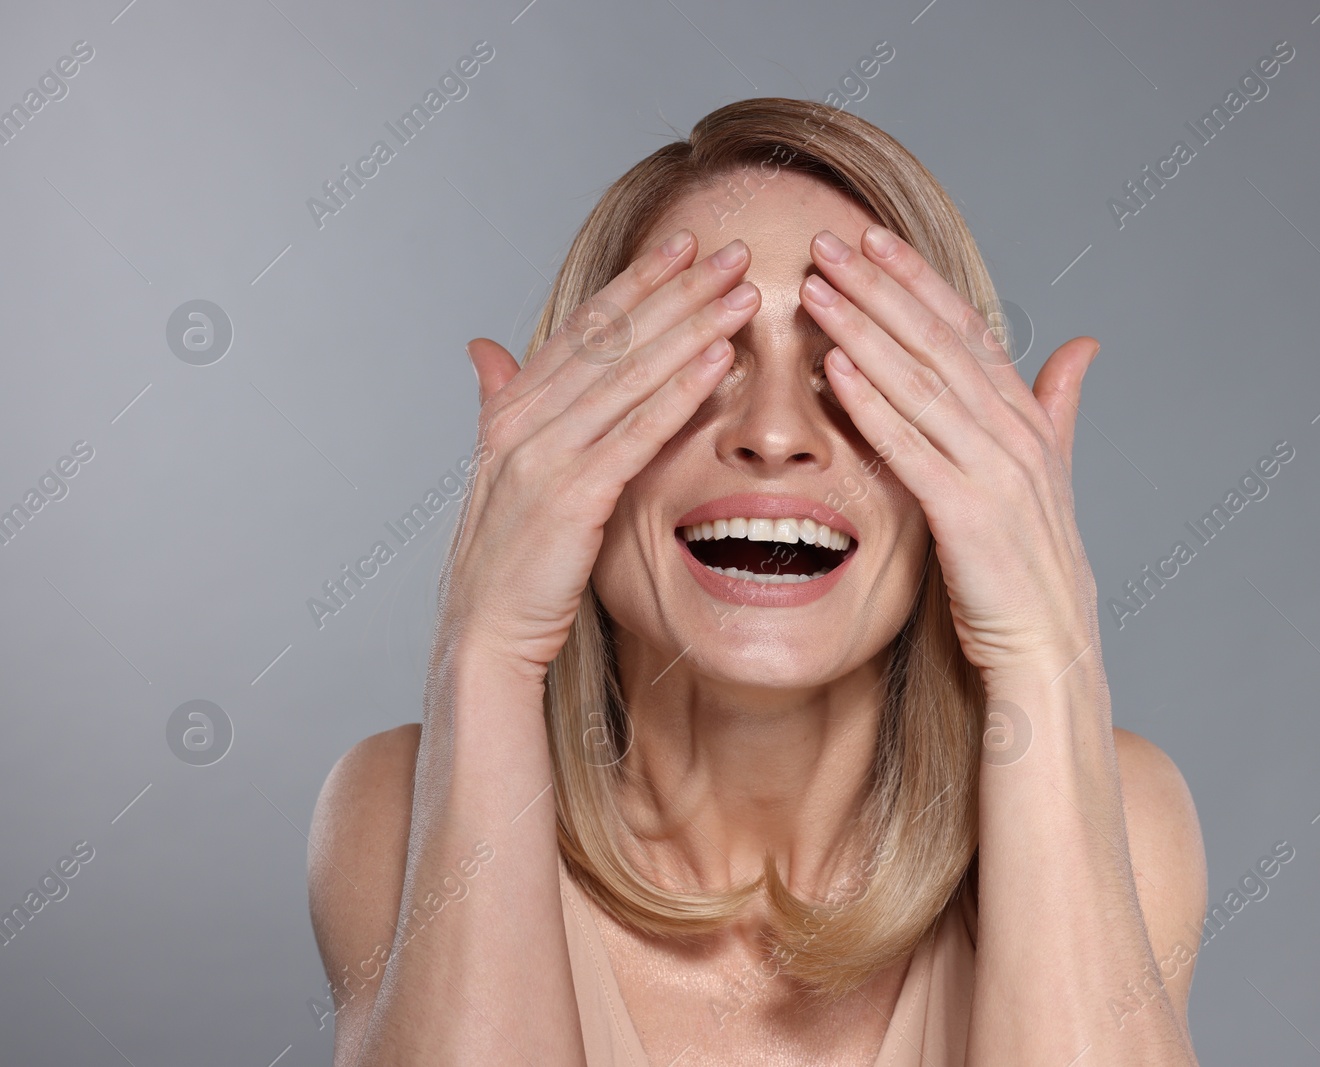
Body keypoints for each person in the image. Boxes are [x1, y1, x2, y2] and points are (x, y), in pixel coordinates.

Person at [307, 97, 1208, 1066]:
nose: (774, 432)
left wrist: (1044, 653)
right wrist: (484, 652)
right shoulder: (399, 805)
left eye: (857, 375)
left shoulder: (1121, 806)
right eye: (699, 366)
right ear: (560, 441)